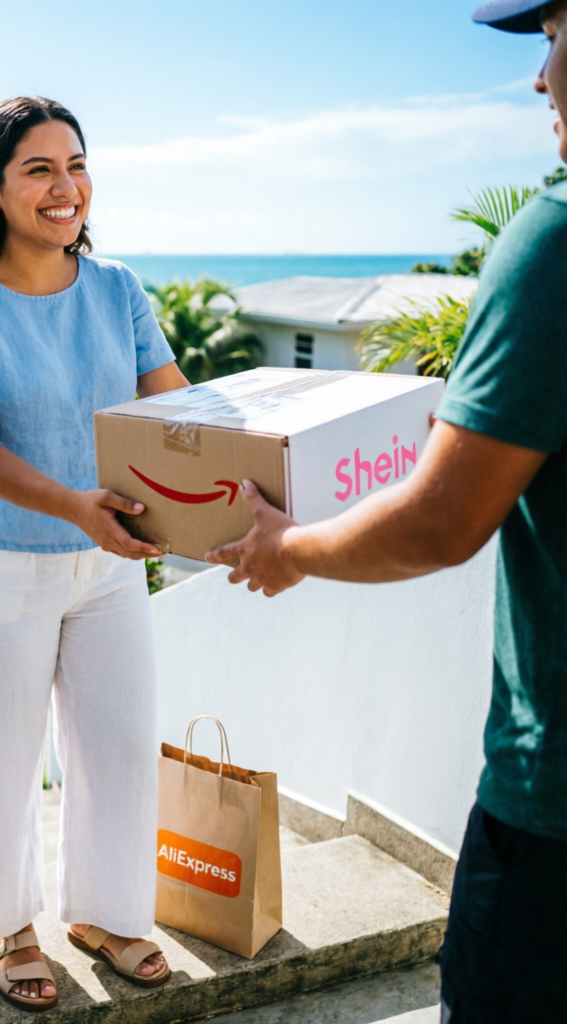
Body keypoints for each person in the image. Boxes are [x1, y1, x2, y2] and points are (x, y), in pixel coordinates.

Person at [206, 3, 567, 1021]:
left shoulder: (552, 244)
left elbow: (438, 520)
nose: (539, 78)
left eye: (551, 34)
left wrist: (288, 546)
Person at [0, 96, 189, 1011]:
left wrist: (234, 494)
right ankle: (12, 926)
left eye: (75, 164)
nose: (65, 187)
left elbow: (175, 410)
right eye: (38, 169)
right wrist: (82, 508)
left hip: (108, 565)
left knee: (116, 748)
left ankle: (104, 914)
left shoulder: (119, 289)